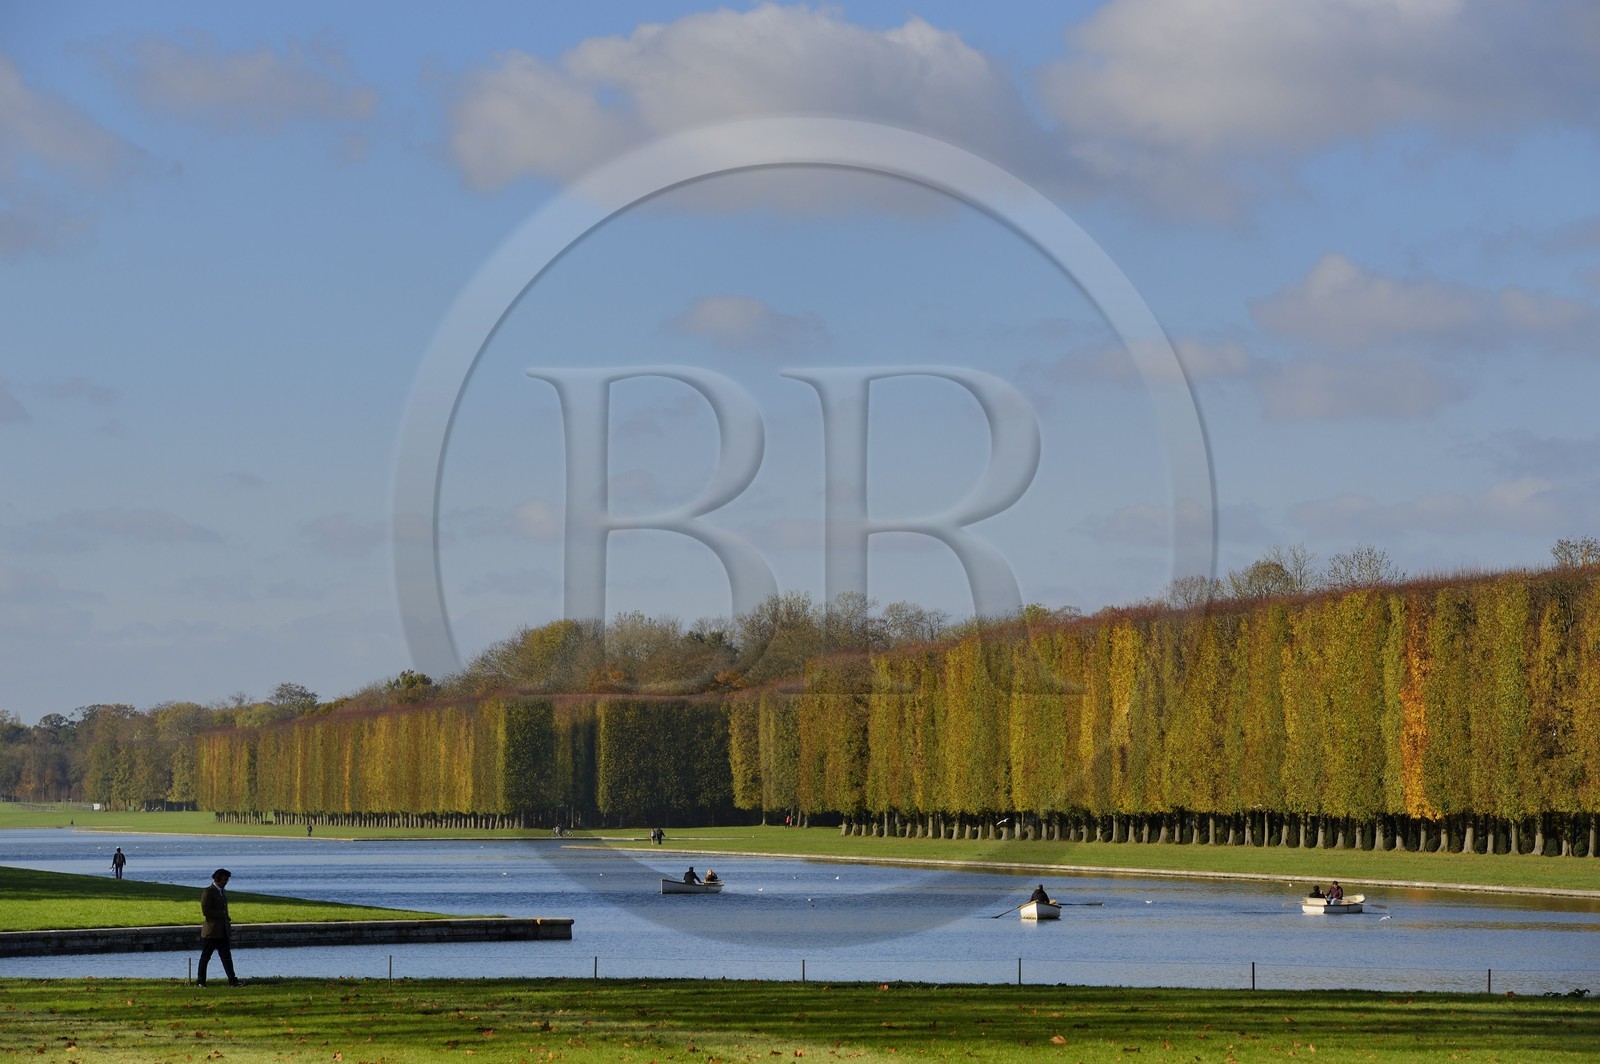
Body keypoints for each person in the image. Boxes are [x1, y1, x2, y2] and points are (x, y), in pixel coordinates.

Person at [197, 868, 242, 987]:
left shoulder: (222, 892)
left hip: (223, 931)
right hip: (211, 932)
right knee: (205, 957)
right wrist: (222, 914)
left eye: (227, 880)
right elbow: (206, 911)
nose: (226, 882)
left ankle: (233, 980)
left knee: (227, 957)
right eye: (224, 880)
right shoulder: (208, 892)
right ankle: (201, 981)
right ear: (217, 879)